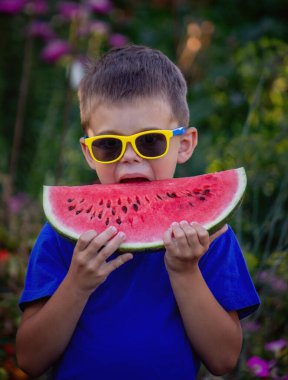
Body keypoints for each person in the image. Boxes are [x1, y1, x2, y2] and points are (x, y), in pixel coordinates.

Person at [16, 45, 260, 380]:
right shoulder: (62, 238)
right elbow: (29, 359)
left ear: (185, 144)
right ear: (88, 153)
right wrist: (78, 282)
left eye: (150, 142)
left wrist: (186, 272)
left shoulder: (211, 237)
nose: (129, 157)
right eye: (108, 145)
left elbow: (223, 359)